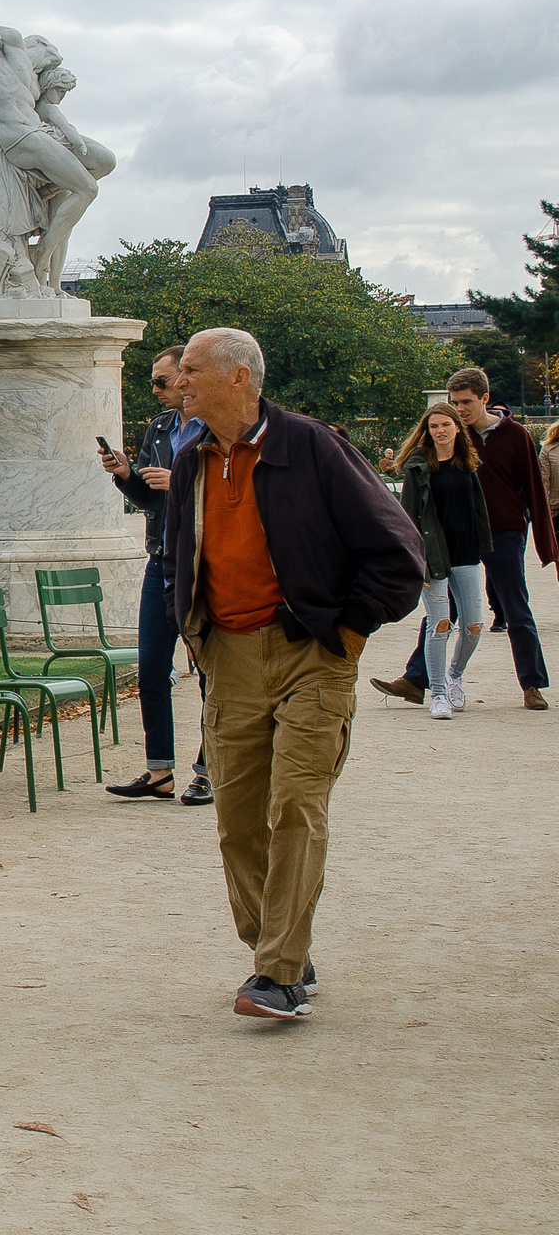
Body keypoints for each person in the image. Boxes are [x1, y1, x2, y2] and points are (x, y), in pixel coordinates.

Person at [164, 328, 424, 1021]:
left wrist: (346, 630)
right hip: (230, 657)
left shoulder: (312, 447)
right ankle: (280, 945)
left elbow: (401, 554)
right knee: (238, 823)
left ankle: (277, 973)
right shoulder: (191, 462)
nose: (177, 380)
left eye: (190, 370)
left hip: (312, 653)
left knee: (296, 808)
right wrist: (196, 632)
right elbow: (175, 560)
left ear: (239, 377)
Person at [371, 368, 555, 710]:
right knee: (443, 613)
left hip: (504, 532)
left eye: (466, 402)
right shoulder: (453, 435)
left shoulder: (515, 435)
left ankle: (531, 684)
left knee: (515, 608)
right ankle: (417, 681)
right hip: (453, 538)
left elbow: (534, 488)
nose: (460, 409)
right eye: (455, 402)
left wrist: (545, 540)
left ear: (485, 398)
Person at [101, 343, 213, 803]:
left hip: (205, 562)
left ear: (188, 377)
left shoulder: (220, 428)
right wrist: (126, 475)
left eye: (161, 381)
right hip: (162, 557)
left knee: (213, 672)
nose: (156, 389)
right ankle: (159, 771)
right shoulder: (160, 427)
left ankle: (209, 771)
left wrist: (181, 481)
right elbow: (149, 501)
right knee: (151, 667)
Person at [376, 409, 487, 719]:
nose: (440, 430)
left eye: (445, 424)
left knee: (474, 625)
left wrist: (485, 544)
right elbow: (407, 516)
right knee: (439, 625)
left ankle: (455, 674)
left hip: (466, 554)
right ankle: (437, 693)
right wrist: (416, 561)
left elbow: (477, 508)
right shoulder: (418, 466)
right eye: (434, 426)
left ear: (457, 428)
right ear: (427, 430)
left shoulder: (468, 462)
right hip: (433, 556)